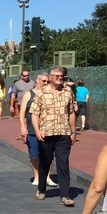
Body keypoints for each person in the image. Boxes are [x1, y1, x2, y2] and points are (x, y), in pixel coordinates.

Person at [30, 66, 77, 206]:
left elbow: (71, 113)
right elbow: (34, 113)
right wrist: (37, 130)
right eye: (57, 76)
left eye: (61, 76)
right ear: (50, 78)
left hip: (63, 133)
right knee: (45, 161)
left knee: (63, 163)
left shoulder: (68, 92)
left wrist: (73, 131)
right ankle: (41, 189)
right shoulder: (41, 93)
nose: (59, 78)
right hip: (46, 133)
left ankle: (65, 195)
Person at [20, 74, 58, 188]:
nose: (46, 83)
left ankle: (47, 177)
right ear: (37, 81)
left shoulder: (49, 94)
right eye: (44, 81)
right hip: (32, 130)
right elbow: (22, 113)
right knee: (34, 155)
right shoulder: (29, 94)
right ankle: (37, 176)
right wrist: (23, 127)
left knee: (50, 155)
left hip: (48, 129)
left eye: (48, 82)